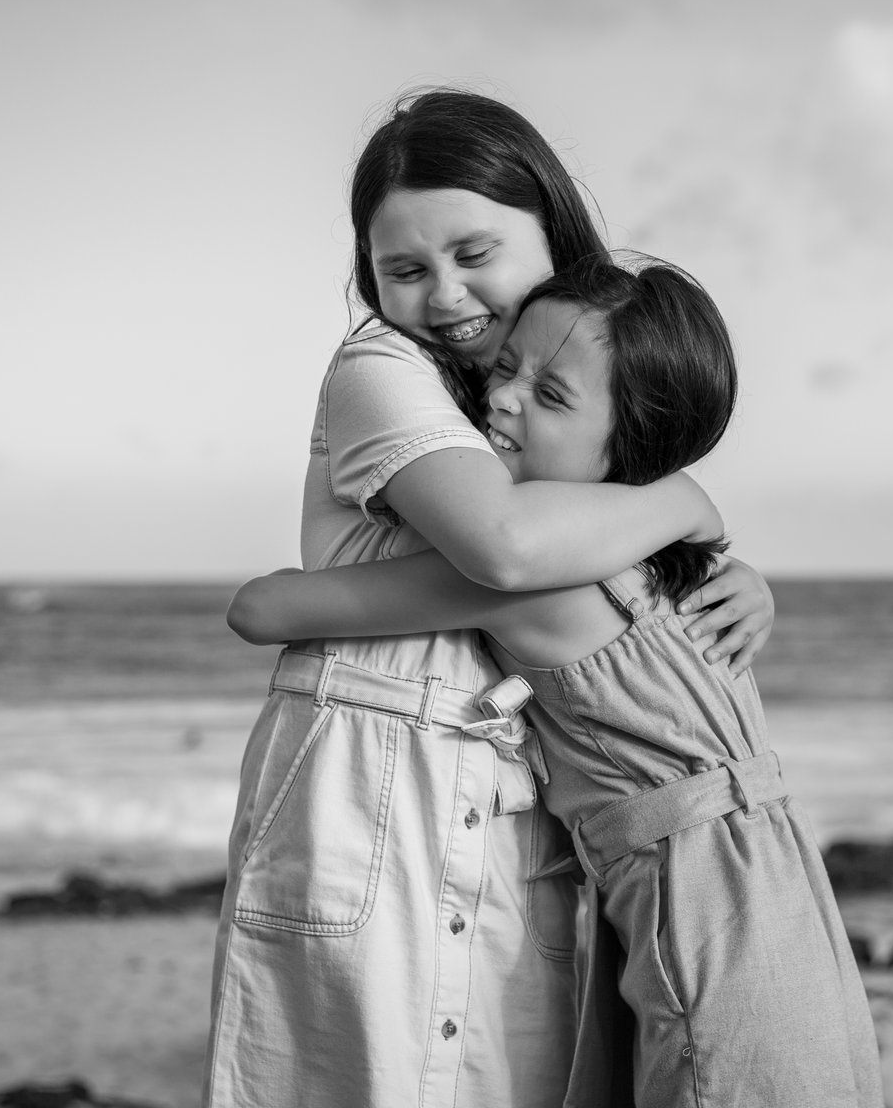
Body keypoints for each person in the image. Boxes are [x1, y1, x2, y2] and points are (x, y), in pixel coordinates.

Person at [205, 91, 776, 1108]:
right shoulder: (383, 367)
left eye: (475, 253)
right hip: (373, 787)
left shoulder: (549, 396)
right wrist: (684, 501)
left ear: (554, 233)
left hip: (518, 799)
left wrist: (725, 574)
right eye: (404, 270)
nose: (445, 294)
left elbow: (589, 578)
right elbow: (504, 549)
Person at [228, 259, 884, 1108]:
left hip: (703, 909)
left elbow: (262, 609)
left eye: (551, 395)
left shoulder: (539, 578)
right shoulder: (662, 555)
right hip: (778, 886)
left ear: (633, 446)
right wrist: (689, 503)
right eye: (504, 368)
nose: (502, 399)